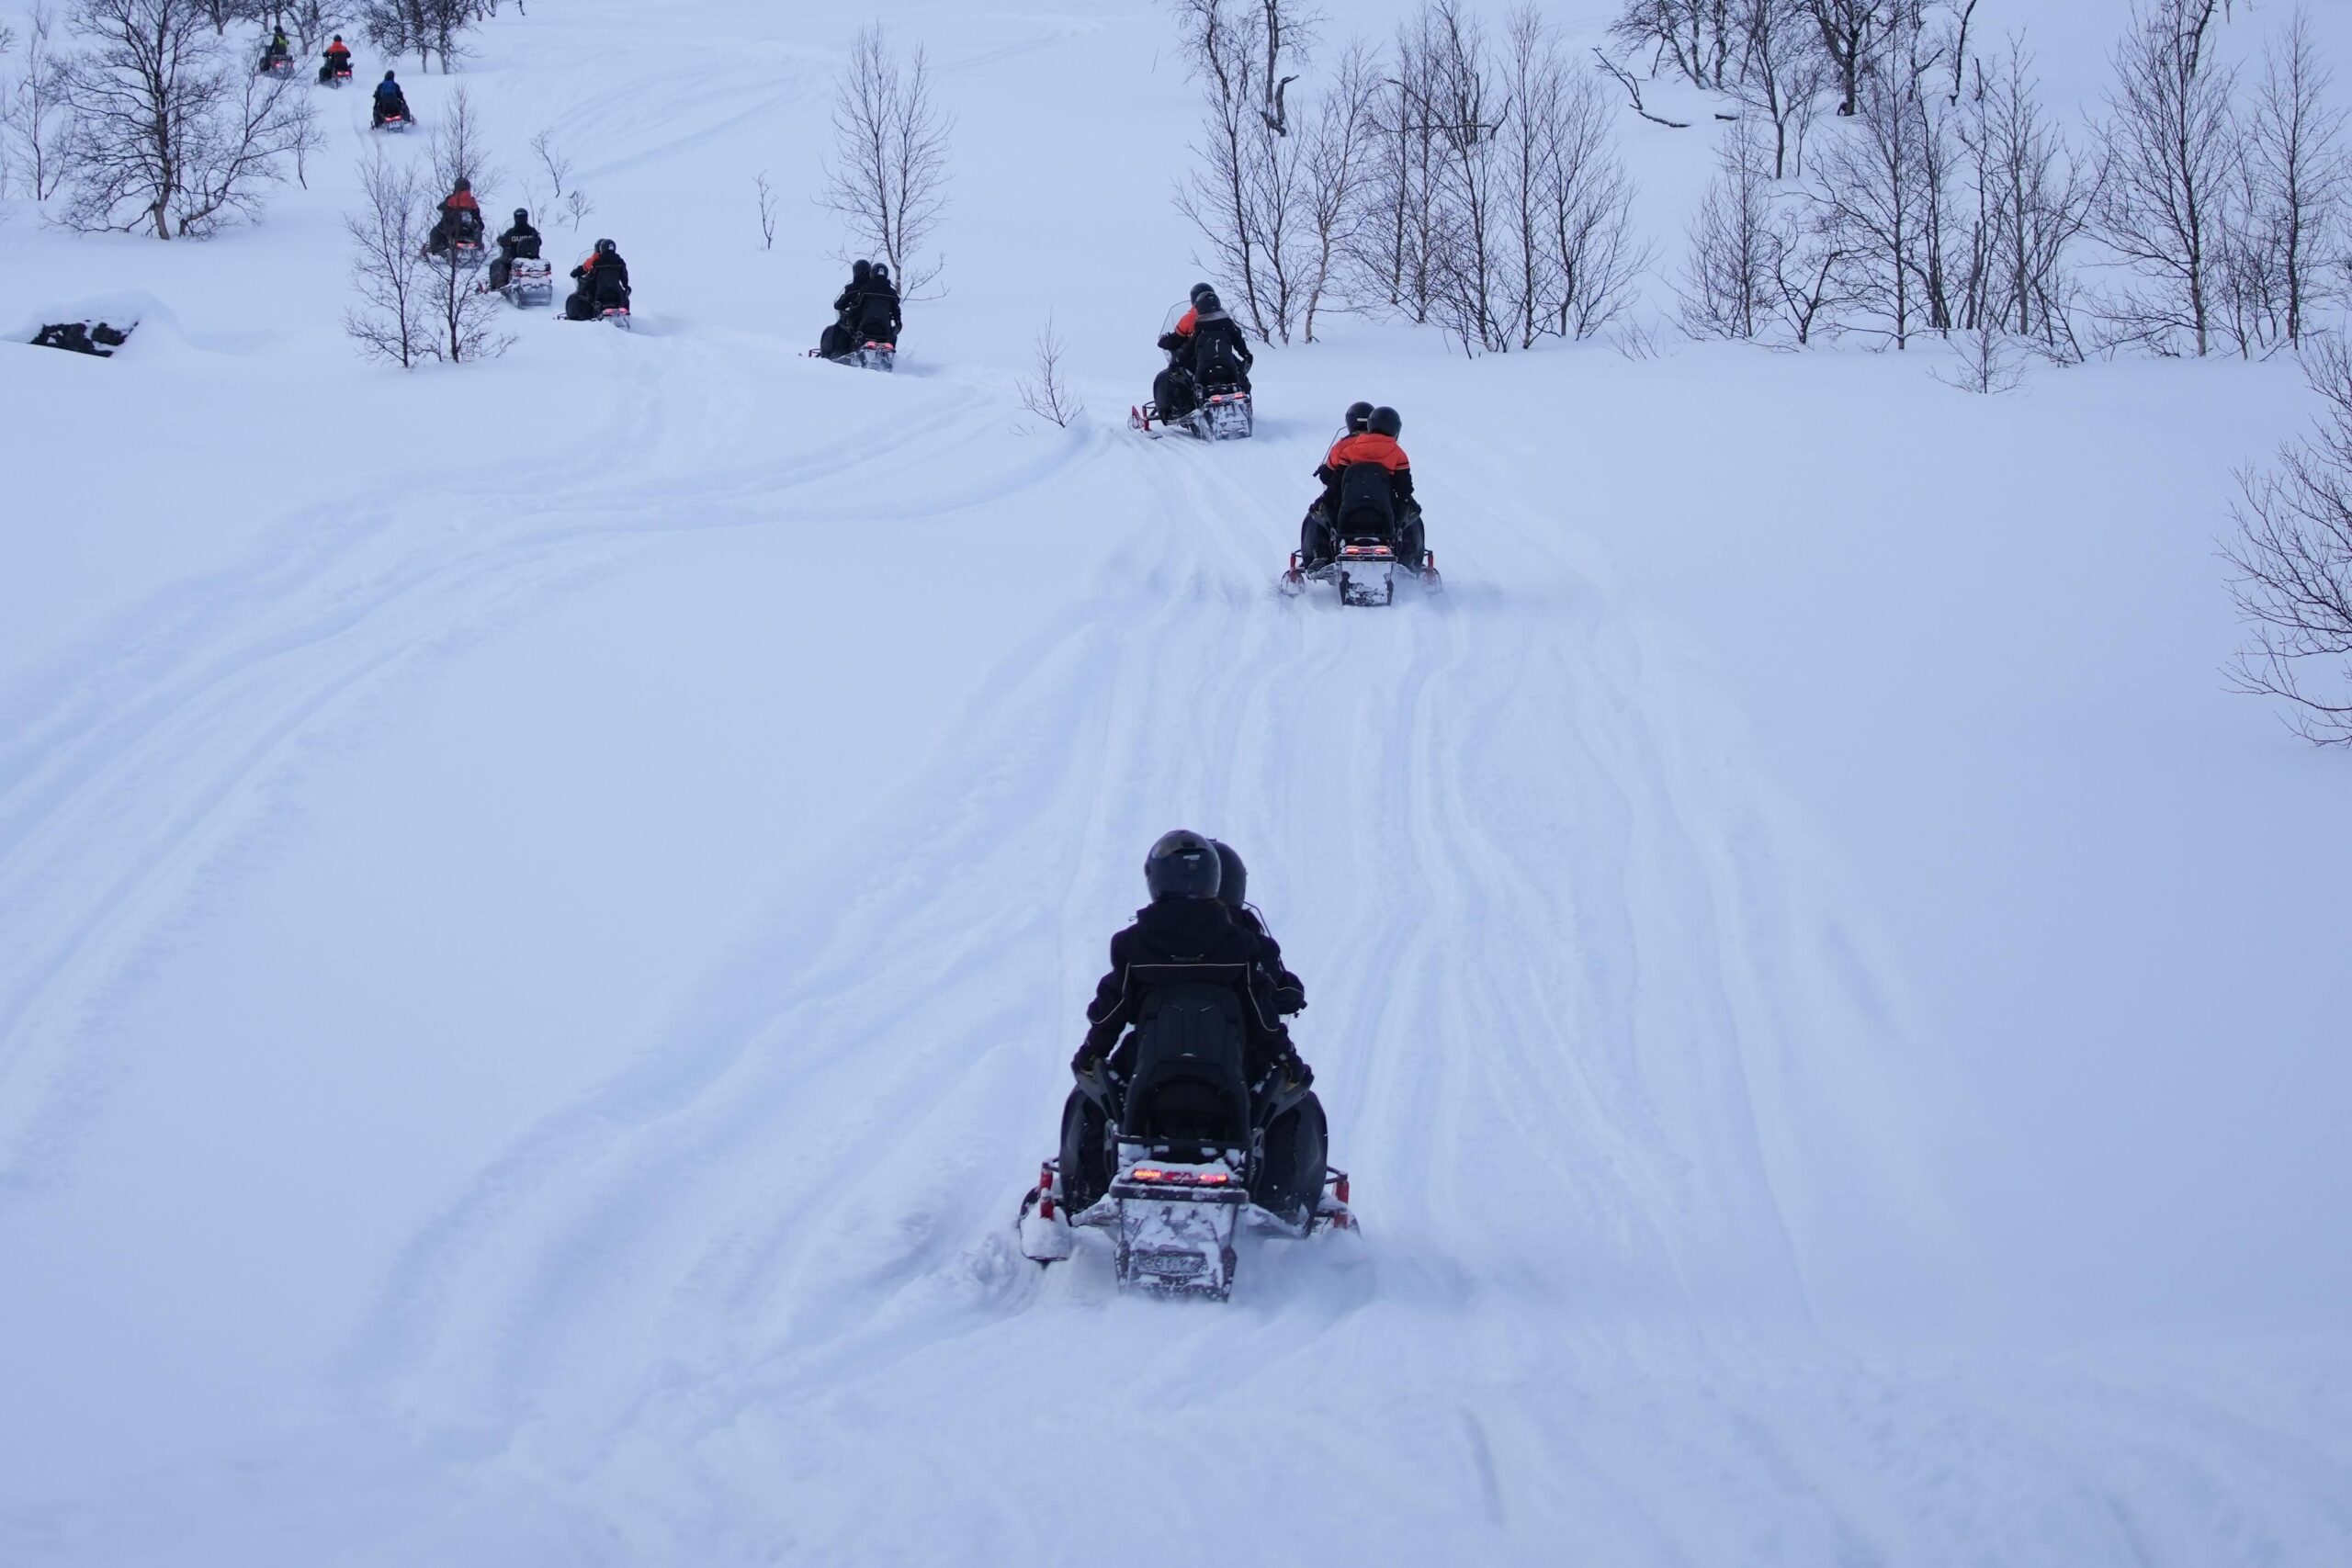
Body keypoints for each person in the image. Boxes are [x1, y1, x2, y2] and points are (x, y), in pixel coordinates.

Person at [1060, 830, 1321, 1220]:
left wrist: (1090, 1053)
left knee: (1091, 1093)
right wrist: (1289, 1060)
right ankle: (1284, 1207)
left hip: (1148, 1069)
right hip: (1232, 1068)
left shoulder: (1133, 944)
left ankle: (1083, 1195)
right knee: (1294, 1097)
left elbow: (1110, 1010)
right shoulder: (1241, 945)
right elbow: (1264, 1018)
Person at [1300, 404, 1424, 570]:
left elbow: (1334, 483)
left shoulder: (1348, 449)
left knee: (1316, 515)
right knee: (1413, 515)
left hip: (1347, 510)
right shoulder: (1398, 453)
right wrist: (1409, 502)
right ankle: (1409, 558)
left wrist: (1322, 500)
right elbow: (1403, 488)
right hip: (1384, 512)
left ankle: (1319, 555)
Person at [1210, 839, 1305, 1018]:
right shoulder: (1252, 942)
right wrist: (1293, 992)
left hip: (1159, 1042)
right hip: (1236, 1043)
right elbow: (1280, 989)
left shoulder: (1152, 936)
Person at [565, 238, 630, 320]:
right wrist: (626, 285)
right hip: (616, 291)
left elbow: (590, 275)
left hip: (600, 291)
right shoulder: (620, 261)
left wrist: (584, 282)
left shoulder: (596, 261)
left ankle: (588, 314)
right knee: (624, 295)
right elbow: (624, 276)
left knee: (584, 294)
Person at [820, 259, 872, 357]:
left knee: (839, 328)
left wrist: (840, 304)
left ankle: (836, 353)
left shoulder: (852, 288)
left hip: (856, 322)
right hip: (873, 323)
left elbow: (840, 304)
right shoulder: (873, 288)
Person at [425, 177, 482, 257]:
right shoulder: (472, 201)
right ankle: (479, 248)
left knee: (435, 231)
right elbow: (478, 216)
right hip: (469, 231)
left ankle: (437, 250)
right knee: (478, 228)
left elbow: (440, 207)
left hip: (453, 230)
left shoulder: (452, 200)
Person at [488, 209, 541, 291]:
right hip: (532, 258)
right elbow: (539, 242)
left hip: (513, 258)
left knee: (497, 263)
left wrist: (501, 240)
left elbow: (503, 241)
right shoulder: (532, 231)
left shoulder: (511, 232)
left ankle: (500, 283)